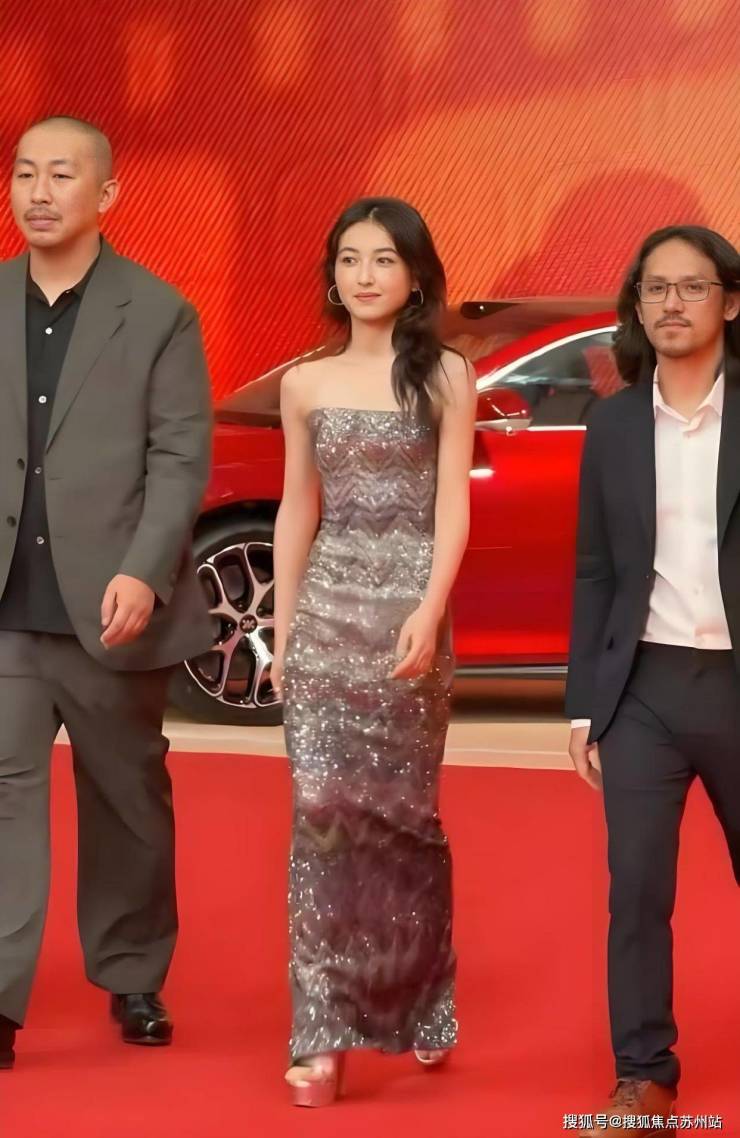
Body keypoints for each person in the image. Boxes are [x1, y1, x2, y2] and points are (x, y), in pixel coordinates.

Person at [0, 116, 212, 1070]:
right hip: (8, 607)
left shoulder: (160, 312)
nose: (39, 193)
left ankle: (132, 975)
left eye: (61, 175)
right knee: (4, 797)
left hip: (114, 607)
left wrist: (142, 567)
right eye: (24, 174)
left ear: (107, 194)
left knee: (126, 798)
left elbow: (179, 459)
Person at [272, 197, 476, 1106]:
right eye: (349, 259)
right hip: (325, 616)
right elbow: (297, 507)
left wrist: (431, 609)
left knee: (401, 820)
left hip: (406, 620)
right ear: (333, 275)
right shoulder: (304, 383)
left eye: (384, 259)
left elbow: (452, 505)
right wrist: (284, 628)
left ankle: (419, 998)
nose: (364, 275)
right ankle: (320, 1033)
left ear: (416, 276)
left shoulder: (447, 375)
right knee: (321, 815)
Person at [566, 225, 740, 1136]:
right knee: (635, 886)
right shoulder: (614, 424)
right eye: (655, 288)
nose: (672, 303)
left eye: (692, 286)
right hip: (644, 690)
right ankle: (643, 1076)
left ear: (730, 302)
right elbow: (596, 571)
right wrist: (583, 704)